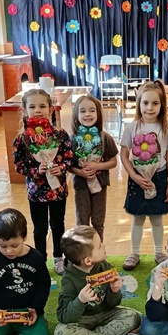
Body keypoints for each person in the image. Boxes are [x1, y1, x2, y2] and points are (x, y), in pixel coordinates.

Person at [55, 225, 142, 335]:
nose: (104, 246)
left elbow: (113, 304)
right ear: (87, 260)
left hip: (104, 314)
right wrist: (80, 301)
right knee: (61, 333)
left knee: (134, 317)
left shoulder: (104, 266)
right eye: (100, 246)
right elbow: (63, 316)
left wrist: (114, 291)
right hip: (81, 320)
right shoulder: (69, 280)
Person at [12, 88, 73, 275]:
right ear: (24, 110)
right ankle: (40, 259)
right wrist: (35, 171)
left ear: (51, 109)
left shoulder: (60, 134)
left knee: (58, 224)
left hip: (58, 191)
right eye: (32, 107)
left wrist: (61, 168)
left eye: (42, 106)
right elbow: (18, 165)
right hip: (36, 192)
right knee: (40, 228)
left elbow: (69, 157)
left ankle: (58, 257)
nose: (37, 110)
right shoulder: (22, 139)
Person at [120, 80, 168, 270]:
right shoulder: (132, 128)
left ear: (162, 105)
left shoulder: (165, 129)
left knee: (157, 218)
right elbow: (124, 154)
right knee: (137, 218)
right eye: (145, 103)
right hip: (137, 179)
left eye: (155, 103)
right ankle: (134, 253)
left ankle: (159, 252)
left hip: (159, 178)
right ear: (139, 104)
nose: (150, 108)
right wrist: (134, 176)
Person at [69, 94, 118, 241]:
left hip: (100, 185)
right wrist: (81, 172)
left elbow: (113, 162)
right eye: (83, 111)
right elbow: (68, 166)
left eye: (92, 110)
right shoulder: (72, 140)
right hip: (81, 185)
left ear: (98, 113)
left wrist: (98, 166)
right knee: (82, 222)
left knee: (98, 221)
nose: (88, 114)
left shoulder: (105, 138)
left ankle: (98, 248)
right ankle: (83, 249)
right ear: (76, 115)